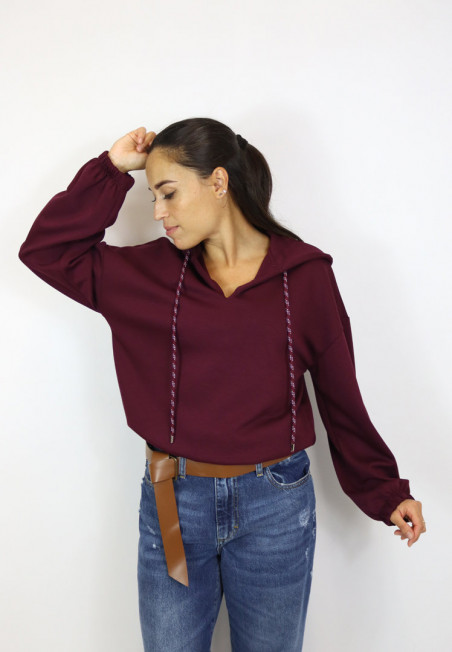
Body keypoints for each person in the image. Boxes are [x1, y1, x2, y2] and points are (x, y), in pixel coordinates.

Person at [19, 118, 426, 652]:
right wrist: (111, 170)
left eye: (168, 193)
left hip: (276, 506)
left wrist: (385, 490)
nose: (158, 212)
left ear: (218, 181)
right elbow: (46, 251)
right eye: (152, 197)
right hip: (173, 502)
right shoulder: (145, 275)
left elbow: (340, 395)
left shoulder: (303, 277)